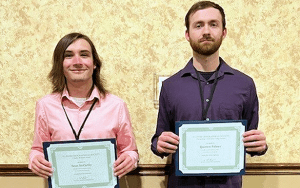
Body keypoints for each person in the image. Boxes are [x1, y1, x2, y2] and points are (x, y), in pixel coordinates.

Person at [151, 1, 267, 187]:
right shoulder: (170, 86)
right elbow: (159, 138)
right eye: (199, 25)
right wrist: (158, 143)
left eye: (213, 24)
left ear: (224, 32)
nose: (206, 31)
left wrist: (260, 146)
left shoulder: (245, 84)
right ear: (188, 34)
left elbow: (249, 138)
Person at [29, 32, 138, 179]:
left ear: (94, 64)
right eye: (68, 55)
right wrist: (34, 159)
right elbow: (38, 149)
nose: (77, 61)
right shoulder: (45, 105)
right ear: (60, 64)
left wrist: (131, 159)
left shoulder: (116, 106)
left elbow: (130, 150)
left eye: (84, 54)